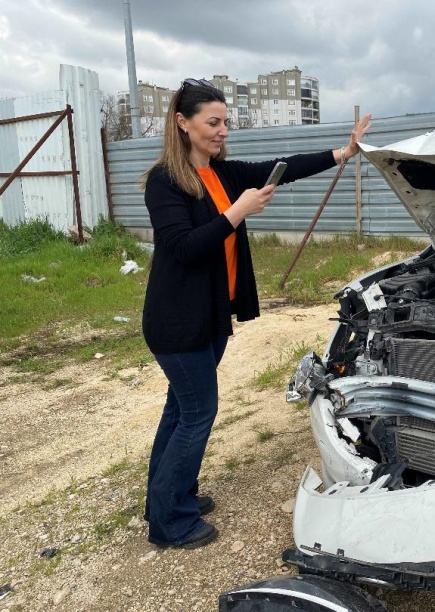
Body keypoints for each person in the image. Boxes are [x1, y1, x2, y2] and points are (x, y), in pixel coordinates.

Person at [140, 77, 371, 549]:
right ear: (182, 123)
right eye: (213, 122)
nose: (223, 130)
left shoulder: (221, 173)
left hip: (208, 316)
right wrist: (236, 214)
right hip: (176, 321)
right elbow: (181, 248)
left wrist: (342, 154)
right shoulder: (164, 181)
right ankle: (169, 523)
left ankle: (166, 497)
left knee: (180, 410)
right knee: (197, 413)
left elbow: (279, 168)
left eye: (226, 122)